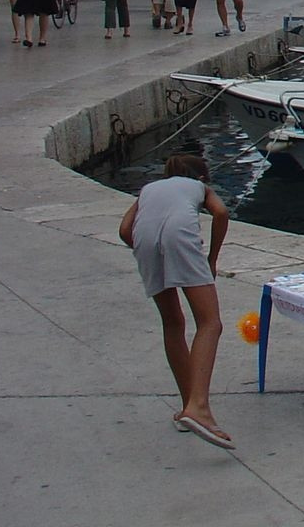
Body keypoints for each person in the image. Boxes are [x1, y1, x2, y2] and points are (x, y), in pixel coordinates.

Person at [117, 154, 233, 450]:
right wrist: (211, 258)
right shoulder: (199, 187)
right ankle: (200, 408)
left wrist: (149, 251)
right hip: (178, 233)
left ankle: (187, 407)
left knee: (172, 323)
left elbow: (124, 230)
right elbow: (220, 213)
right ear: (202, 177)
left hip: (143, 238)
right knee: (210, 322)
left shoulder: (149, 189)